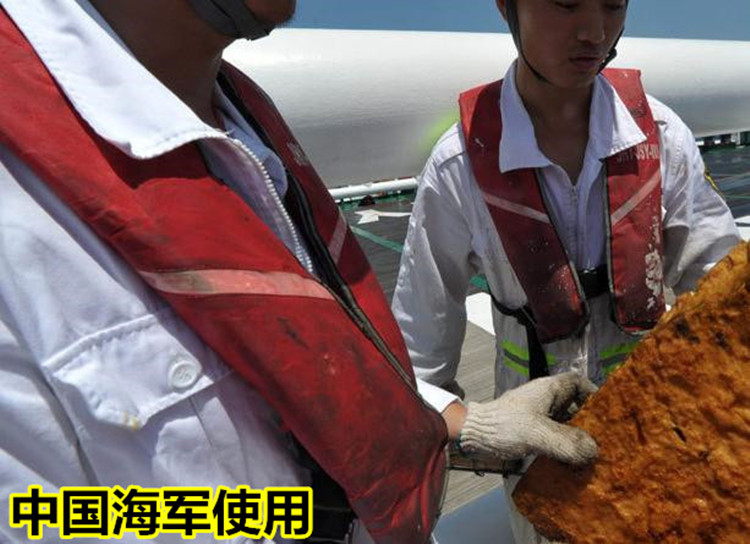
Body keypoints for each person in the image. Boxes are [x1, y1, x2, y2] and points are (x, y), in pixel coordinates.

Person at [0, 1, 602, 542]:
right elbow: (43, 514)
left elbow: (301, 361)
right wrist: (298, 516)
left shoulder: (245, 135)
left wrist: (460, 428)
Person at [392, 0, 742, 542]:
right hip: (537, 462)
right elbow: (415, 360)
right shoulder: (458, 166)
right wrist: (474, 430)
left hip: (662, 444)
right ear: (506, 6)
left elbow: (726, 292)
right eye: (565, 3)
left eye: (613, 4)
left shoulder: (663, 139)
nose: (595, 32)